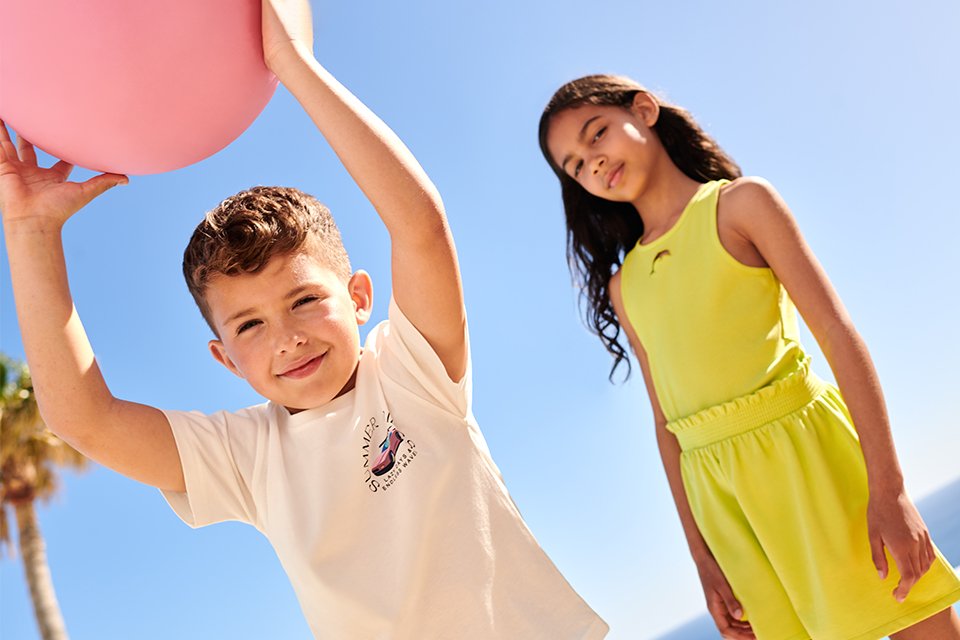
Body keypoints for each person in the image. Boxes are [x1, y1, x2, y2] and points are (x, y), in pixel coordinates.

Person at [0, 3, 609, 638]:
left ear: (360, 297)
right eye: (249, 327)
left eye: (303, 301)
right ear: (224, 358)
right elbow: (81, 418)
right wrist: (29, 230)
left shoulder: (411, 375)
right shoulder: (245, 456)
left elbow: (421, 228)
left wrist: (295, 65)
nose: (287, 337)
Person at [538, 74, 960, 640]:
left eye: (597, 136)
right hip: (725, 502)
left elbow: (837, 334)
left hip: (811, 456)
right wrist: (702, 559)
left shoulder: (741, 206)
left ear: (643, 111)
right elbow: (667, 426)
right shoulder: (625, 286)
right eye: (574, 166)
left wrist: (891, 490)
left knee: (923, 628)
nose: (593, 164)